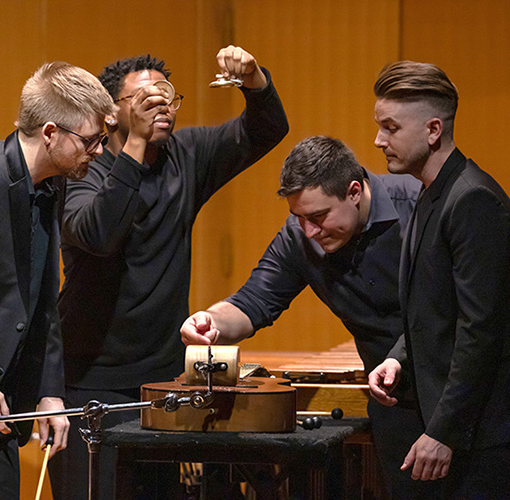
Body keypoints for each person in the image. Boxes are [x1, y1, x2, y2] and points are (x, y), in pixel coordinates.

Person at [48, 46, 288, 499]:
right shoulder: (82, 168)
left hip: (161, 381)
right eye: (143, 99)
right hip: (89, 378)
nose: (159, 105)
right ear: (111, 114)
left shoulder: (187, 156)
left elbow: (267, 128)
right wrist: (135, 146)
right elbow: (99, 233)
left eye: (166, 96)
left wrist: (255, 79)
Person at [181, 135, 445, 498]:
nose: (310, 231)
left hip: (458, 389)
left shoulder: (421, 205)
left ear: (354, 191)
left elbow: (458, 307)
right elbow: (254, 301)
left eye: (319, 216)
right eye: (299, 218)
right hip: (393, 400)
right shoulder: (301, 238)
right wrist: (209, 322)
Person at [0, 62, 116, 499]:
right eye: (91, 140)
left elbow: (42, 303)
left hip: (3, 422)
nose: (100, 152)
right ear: (51, 132)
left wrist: (50, 393)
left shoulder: (51, 185)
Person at [368, 61, 510, 498]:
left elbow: (480, 329)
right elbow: (432, 307)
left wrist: (445, 431)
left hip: (482, 437)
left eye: (390, 128)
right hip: (457, 428)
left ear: (433, 130)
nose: (378, 140)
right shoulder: (433, 192)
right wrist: (398, 357)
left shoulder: (473, 199)